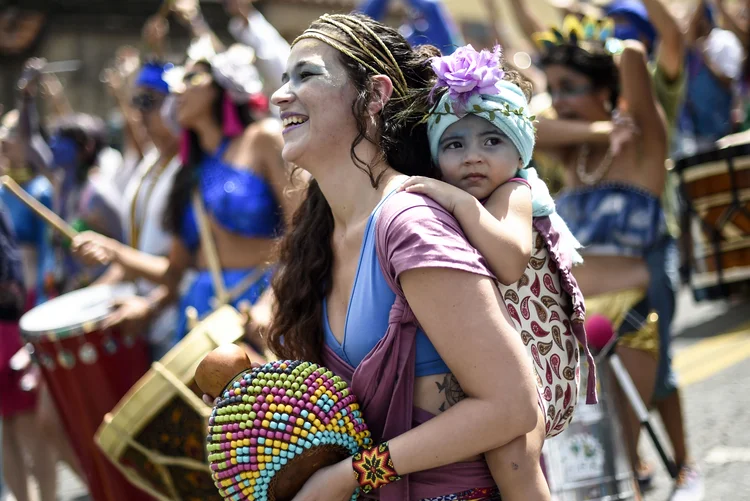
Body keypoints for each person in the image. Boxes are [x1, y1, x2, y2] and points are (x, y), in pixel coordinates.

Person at [267, 13, 539, 500]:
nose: (280, 95)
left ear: (374, 95)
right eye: (283, 79)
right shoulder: (320, 234)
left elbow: (511, 405)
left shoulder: (408, 225)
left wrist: (349, 476)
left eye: (306, 75)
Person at [397, 44, 592, 501]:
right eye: (454, 144)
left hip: (536, 354)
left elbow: (509, 260)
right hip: (499, 356)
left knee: (514, 456)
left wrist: (459, 203)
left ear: (519, 148)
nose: (472, 157)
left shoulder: (515, 192)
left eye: (491, 140)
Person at [533, 16, 704, 500]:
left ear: (604, 87)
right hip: (590, 298)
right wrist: (601, 127)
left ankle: (684, 469)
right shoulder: (575, 156)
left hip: (644, 279)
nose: (558, 97)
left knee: (653, 379)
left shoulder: (646, 141)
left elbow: (631, 52)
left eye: (570, 86)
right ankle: (638, 474)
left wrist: (607, 41)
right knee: (608, 393)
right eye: (553, 86)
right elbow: (527, 124)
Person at [72, 49, 301, 351]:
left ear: (223, 85)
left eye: (192, 77)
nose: (178, 88)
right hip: (201, 317)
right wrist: (114, 252)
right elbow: (174, 271)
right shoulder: (188, 173)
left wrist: (270, 302)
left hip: (261, 311)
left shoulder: (263, 139)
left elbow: (305, 231)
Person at [92, 60, 182, 360]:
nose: (140, 112)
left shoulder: (189, 169)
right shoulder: (149, 162)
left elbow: (189, 267)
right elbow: (137, 251)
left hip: (176, 321)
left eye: (149, 102)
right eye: (136, 102)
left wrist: (152, 305)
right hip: (141, 316)